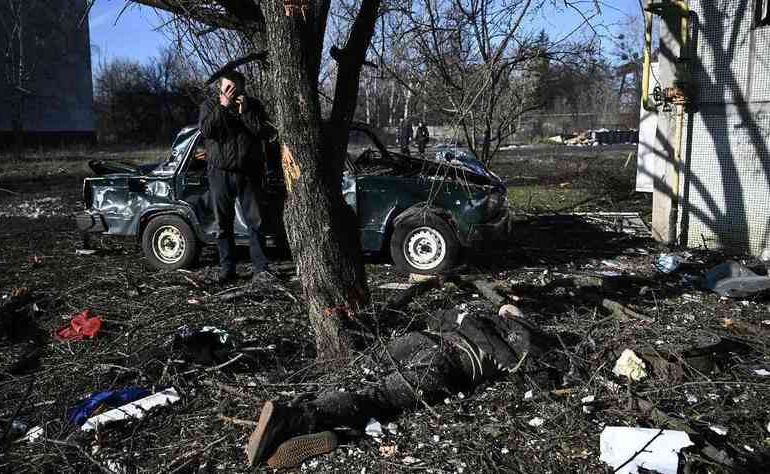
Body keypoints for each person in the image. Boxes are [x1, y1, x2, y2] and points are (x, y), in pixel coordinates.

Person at [245, 305, 565, 468]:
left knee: (365, 377)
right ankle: (301, 419)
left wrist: (471, 324)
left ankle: (298, 418)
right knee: (374, 390)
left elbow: (450, 317)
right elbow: (444, 316)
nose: (507, 311)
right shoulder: (509, 338)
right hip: (440, 357)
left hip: (438, 354)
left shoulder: (519, 337)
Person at [199, 71, 275, 283]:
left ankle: (260, 269)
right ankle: (227, 268)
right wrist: (222, 107)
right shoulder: (209, 106)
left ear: (242, 88)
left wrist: (246, 113)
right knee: (223, 223)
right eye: (227, 88)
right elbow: (206, 131)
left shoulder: (254, 105)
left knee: (256, 222)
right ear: (220, 88)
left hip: (249, 172)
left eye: (235, 88)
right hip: (220, 172)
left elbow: (265, 133)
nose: (231, 92)